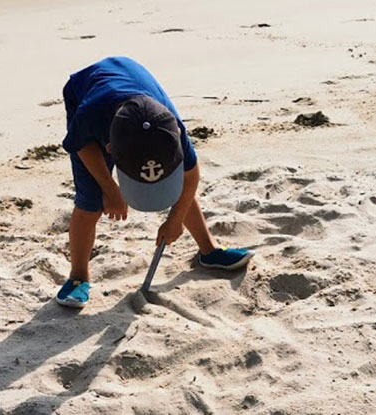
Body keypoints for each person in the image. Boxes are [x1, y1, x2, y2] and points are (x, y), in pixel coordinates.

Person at [55, 56, 254, 308]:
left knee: (177, 188)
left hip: (137, 89)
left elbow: (189, 176)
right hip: (87, 93)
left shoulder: (169, 127)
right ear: (109, 149)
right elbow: (81, 146)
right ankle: (78, 277)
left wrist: (175, 220)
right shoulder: (88, 114)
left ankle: (209, 251)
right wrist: (109, 187)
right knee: (90, 202)